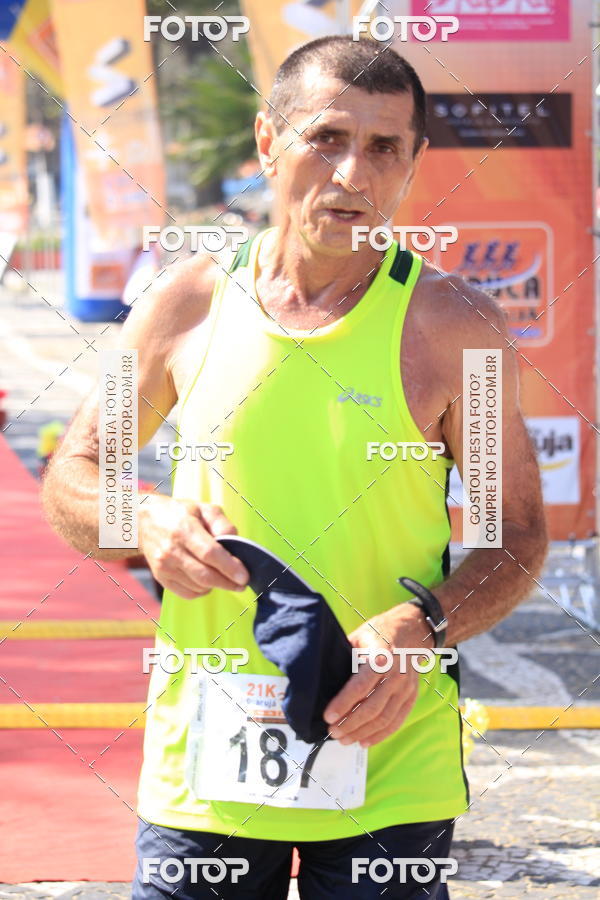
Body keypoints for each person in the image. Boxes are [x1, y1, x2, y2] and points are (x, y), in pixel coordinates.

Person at [42, 36, 548, 900]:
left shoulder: (460, 328)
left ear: (413, 164)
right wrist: (144, 520)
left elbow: (518, 537)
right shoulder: (182, 303)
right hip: (205, 772)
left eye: (383, 147)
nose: (353, 173)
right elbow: (74, 474)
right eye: (326, 138)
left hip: (390, 762)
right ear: (267, 142)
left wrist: (425, 626)